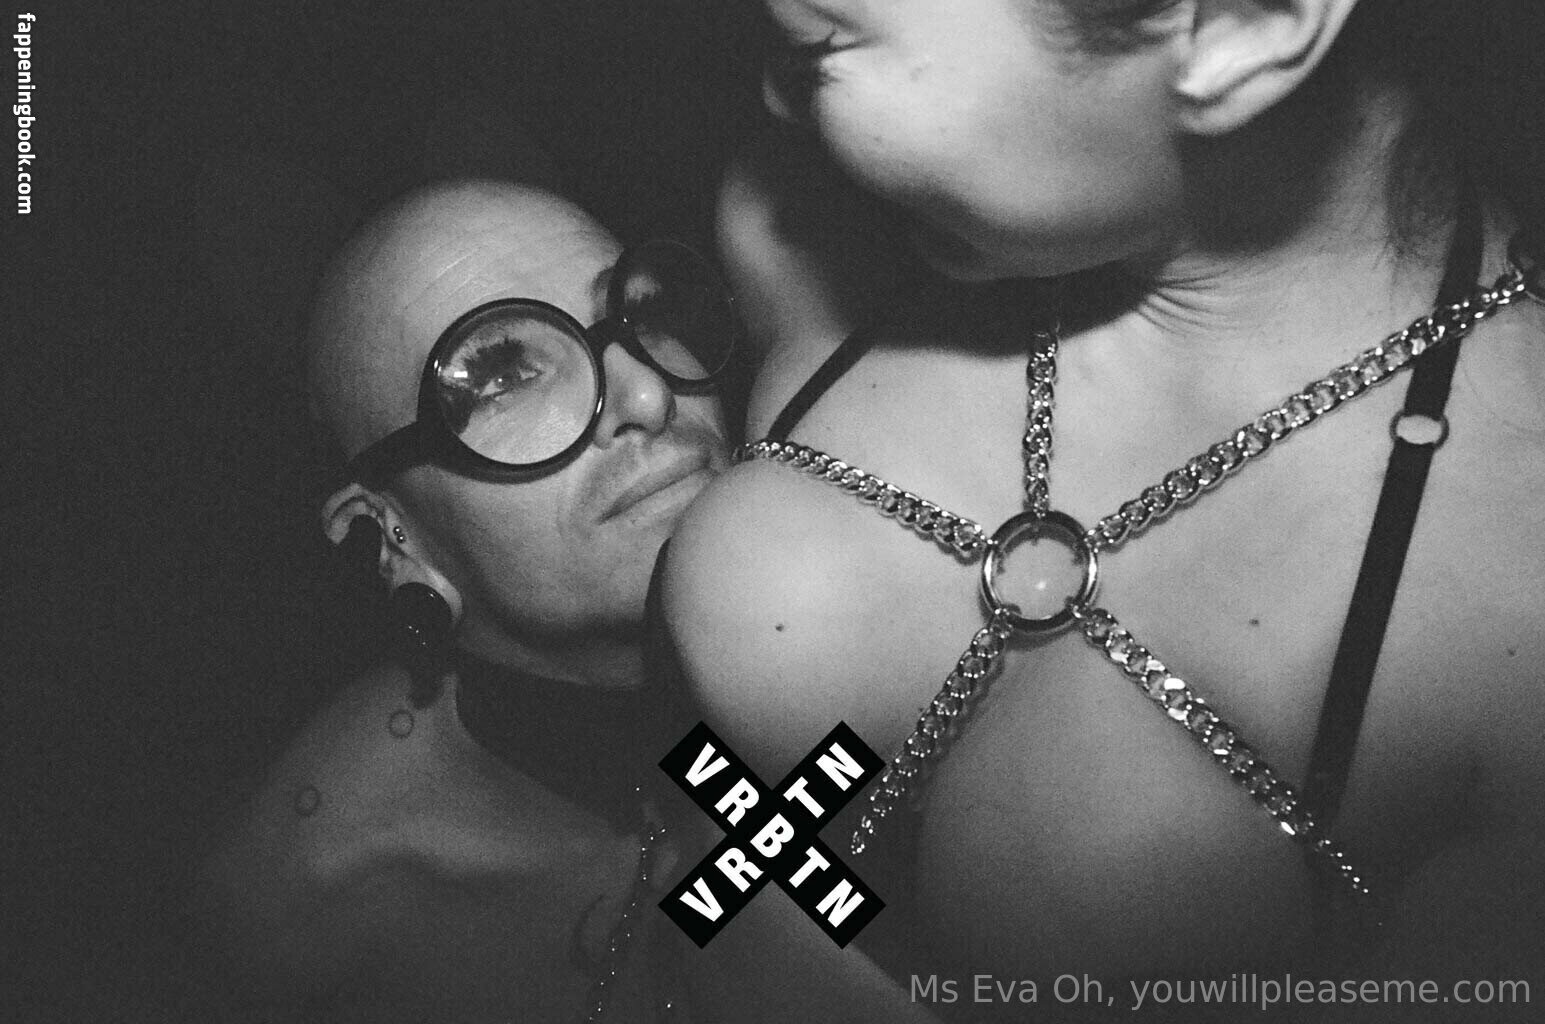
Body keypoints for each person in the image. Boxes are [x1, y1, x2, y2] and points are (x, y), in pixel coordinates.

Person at [663, 1, 1545, 1019]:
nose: (777, 95)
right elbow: (716, 835)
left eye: (822, 44)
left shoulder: (1514, 589)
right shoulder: (798, 229)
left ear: (1241, 24)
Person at [190, 177, 735, 1023]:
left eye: (643, 314)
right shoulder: (312, 922)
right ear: (391, 535)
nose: (647, 395)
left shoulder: (900, 623)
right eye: (500, 375)